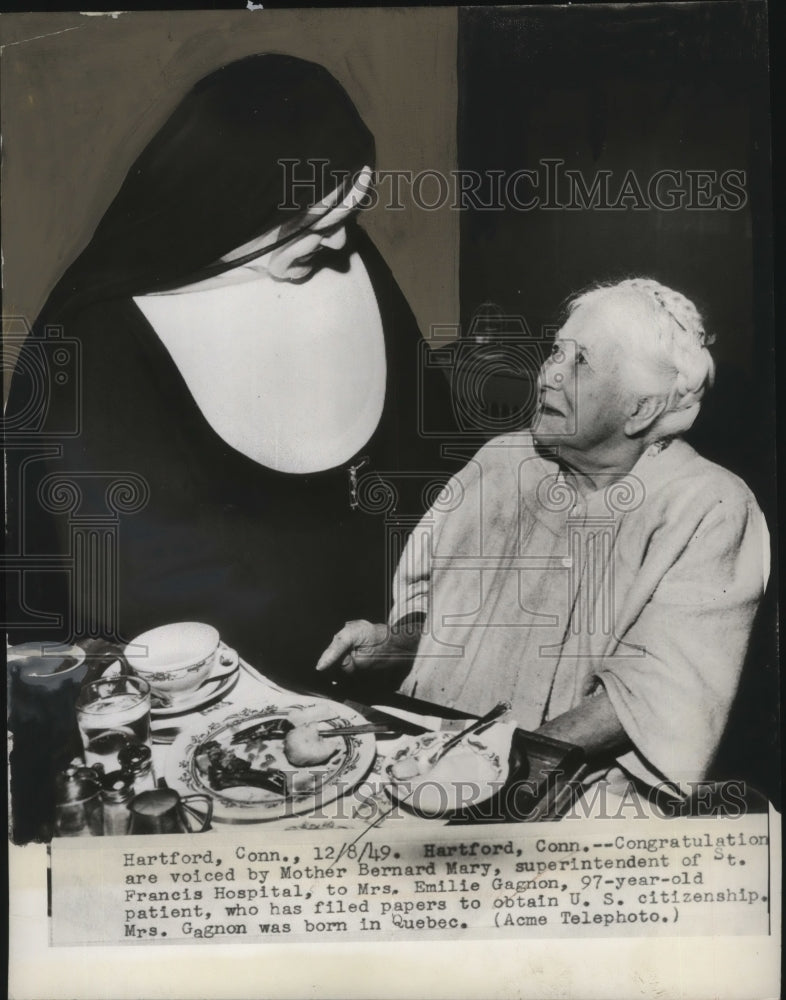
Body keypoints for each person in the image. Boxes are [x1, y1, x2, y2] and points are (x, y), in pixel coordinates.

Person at [5, 54, 453, 686]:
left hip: (391, 654)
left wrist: (419, 625)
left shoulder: (333, 244)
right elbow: (125, 579)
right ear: (228, 207)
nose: (341, 243)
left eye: (348, 216)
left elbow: (428, 453)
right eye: (312, 223)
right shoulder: (91, 341)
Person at [316, 278, 769, 795]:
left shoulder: (708, 506)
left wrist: (494, 767)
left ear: (640, 409)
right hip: (426, 755)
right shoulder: (501, 462)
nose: (549, 373)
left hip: (572, 792)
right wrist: (391, 647)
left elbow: (655, 699)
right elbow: (435, 612)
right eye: (557, 351)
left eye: (581, 364)